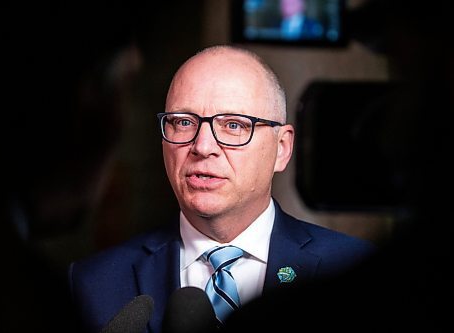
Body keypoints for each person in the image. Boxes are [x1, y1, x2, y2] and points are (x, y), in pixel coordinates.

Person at [68, 45, 376, 333]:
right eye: (183, 122)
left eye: (233, 125)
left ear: (282, 148)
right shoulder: (92, 284)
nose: (202, 147)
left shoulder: (356, 270)